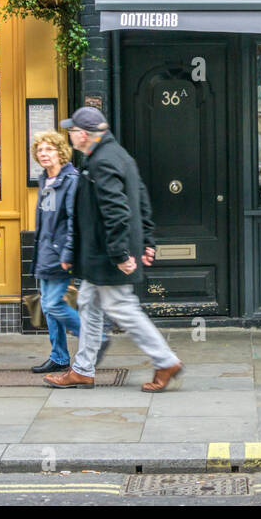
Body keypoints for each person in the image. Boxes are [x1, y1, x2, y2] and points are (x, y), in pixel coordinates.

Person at [45, 107, 183, 393]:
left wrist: (121, 254)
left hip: (107, 253)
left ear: (83, 134)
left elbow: (117, 211)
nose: (69, 134)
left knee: (122, 307)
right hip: (103, 253)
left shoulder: (102, 162)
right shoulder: (118, 155)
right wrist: (146, 241)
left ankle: (166, 360)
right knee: (89, 305)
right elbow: (141, 198)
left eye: (71, 130)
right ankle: (83, 370)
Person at [29, 130, 81, 374]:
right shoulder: (44, 180)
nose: (43, 154)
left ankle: (93, 337)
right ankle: (59, 356)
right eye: (40, 150)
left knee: (52, 305)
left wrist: (68, 253)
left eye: (49, 149)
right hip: (45, 251)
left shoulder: (71, 180)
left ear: (61, 152)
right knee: (49, 307)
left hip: (60, 253)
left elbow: (74, 219)